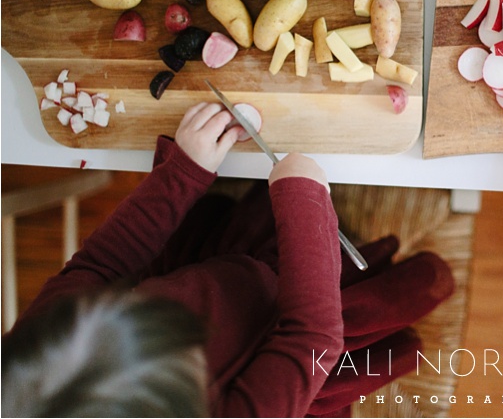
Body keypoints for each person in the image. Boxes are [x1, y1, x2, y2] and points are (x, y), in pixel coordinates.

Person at [1, 102, 454, 417]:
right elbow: (312, 337)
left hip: (220, 270)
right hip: (294, 340)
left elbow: (100, 267)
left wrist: (181, 173)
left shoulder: (36, 354)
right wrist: (304, 202)